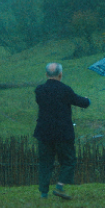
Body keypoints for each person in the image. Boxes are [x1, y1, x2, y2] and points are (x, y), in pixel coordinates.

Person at [33, 62, 91, 200]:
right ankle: (59, 186)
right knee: (69, 161)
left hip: (44, 132)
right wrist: (87, 100)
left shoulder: (39, 90)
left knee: (45, 162)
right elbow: (80, 102)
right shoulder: (65, 90)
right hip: (62, 133)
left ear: (46, 74)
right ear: (60, 74)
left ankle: (43, 193)